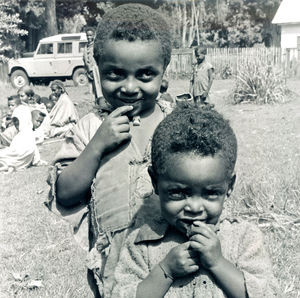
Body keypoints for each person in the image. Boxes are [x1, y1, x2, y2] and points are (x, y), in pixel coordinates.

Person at [45, 4, 172, 297]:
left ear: (163, 73)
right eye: (115, 74)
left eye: (145, 75)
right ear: (97, 69)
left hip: (172, 253)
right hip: (114, 264)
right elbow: (64, 193)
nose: (129, 87)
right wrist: (98, 145)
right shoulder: (90, 128)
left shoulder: (174, 121)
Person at [112, 104, 280, 298]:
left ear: (229, 187)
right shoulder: (142, 244)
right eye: (177, 192)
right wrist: (165, 271)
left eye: (210, 193)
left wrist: (218, 263)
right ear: (155, 182)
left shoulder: (243, 239)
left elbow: (267, 293)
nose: (194, 207)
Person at [0, 105, 43, 172]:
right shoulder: (27, 133)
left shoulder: (24, 134)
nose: (15, 123)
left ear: (24, 119)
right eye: (14, 121)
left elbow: (15, 153)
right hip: (19, 161)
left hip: (14, 160)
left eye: (17, 120)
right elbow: (35, 156)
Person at [83, 26, 102, 101]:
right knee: (93, 89)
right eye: (87, 35)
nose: (89, 37)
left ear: (94, 35)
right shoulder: (85, 46)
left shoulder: (96, 45)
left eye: (90, 35)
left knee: (98, 87)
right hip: (89, 70)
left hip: (95, 69)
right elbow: (84, 59)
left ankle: (101, 103)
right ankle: (96, 102)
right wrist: (87, 69)